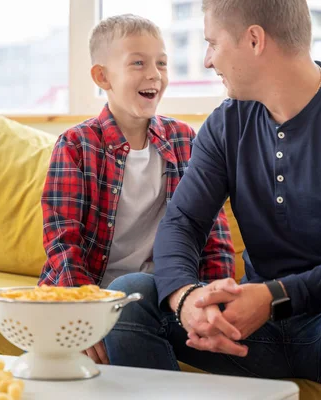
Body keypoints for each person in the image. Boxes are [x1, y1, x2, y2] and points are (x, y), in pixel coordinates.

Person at [103, 1, 321, 399]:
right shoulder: (226, 123)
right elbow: (182, 223)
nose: (208, 59)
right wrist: (187, 299)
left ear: (253, 40)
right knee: (130, 297)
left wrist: (275, 297)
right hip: (250, 332)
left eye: (212, 43)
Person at [38, 13, 235, 366]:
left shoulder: (185, 141)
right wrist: (87, 318)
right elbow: (62, 243)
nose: (154, 75)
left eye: (161, 63)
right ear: (102, 77)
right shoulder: (75, 145)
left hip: (156, 296)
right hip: (83, 295)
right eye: (138, 63)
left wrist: (214, 302)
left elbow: (213, 235)